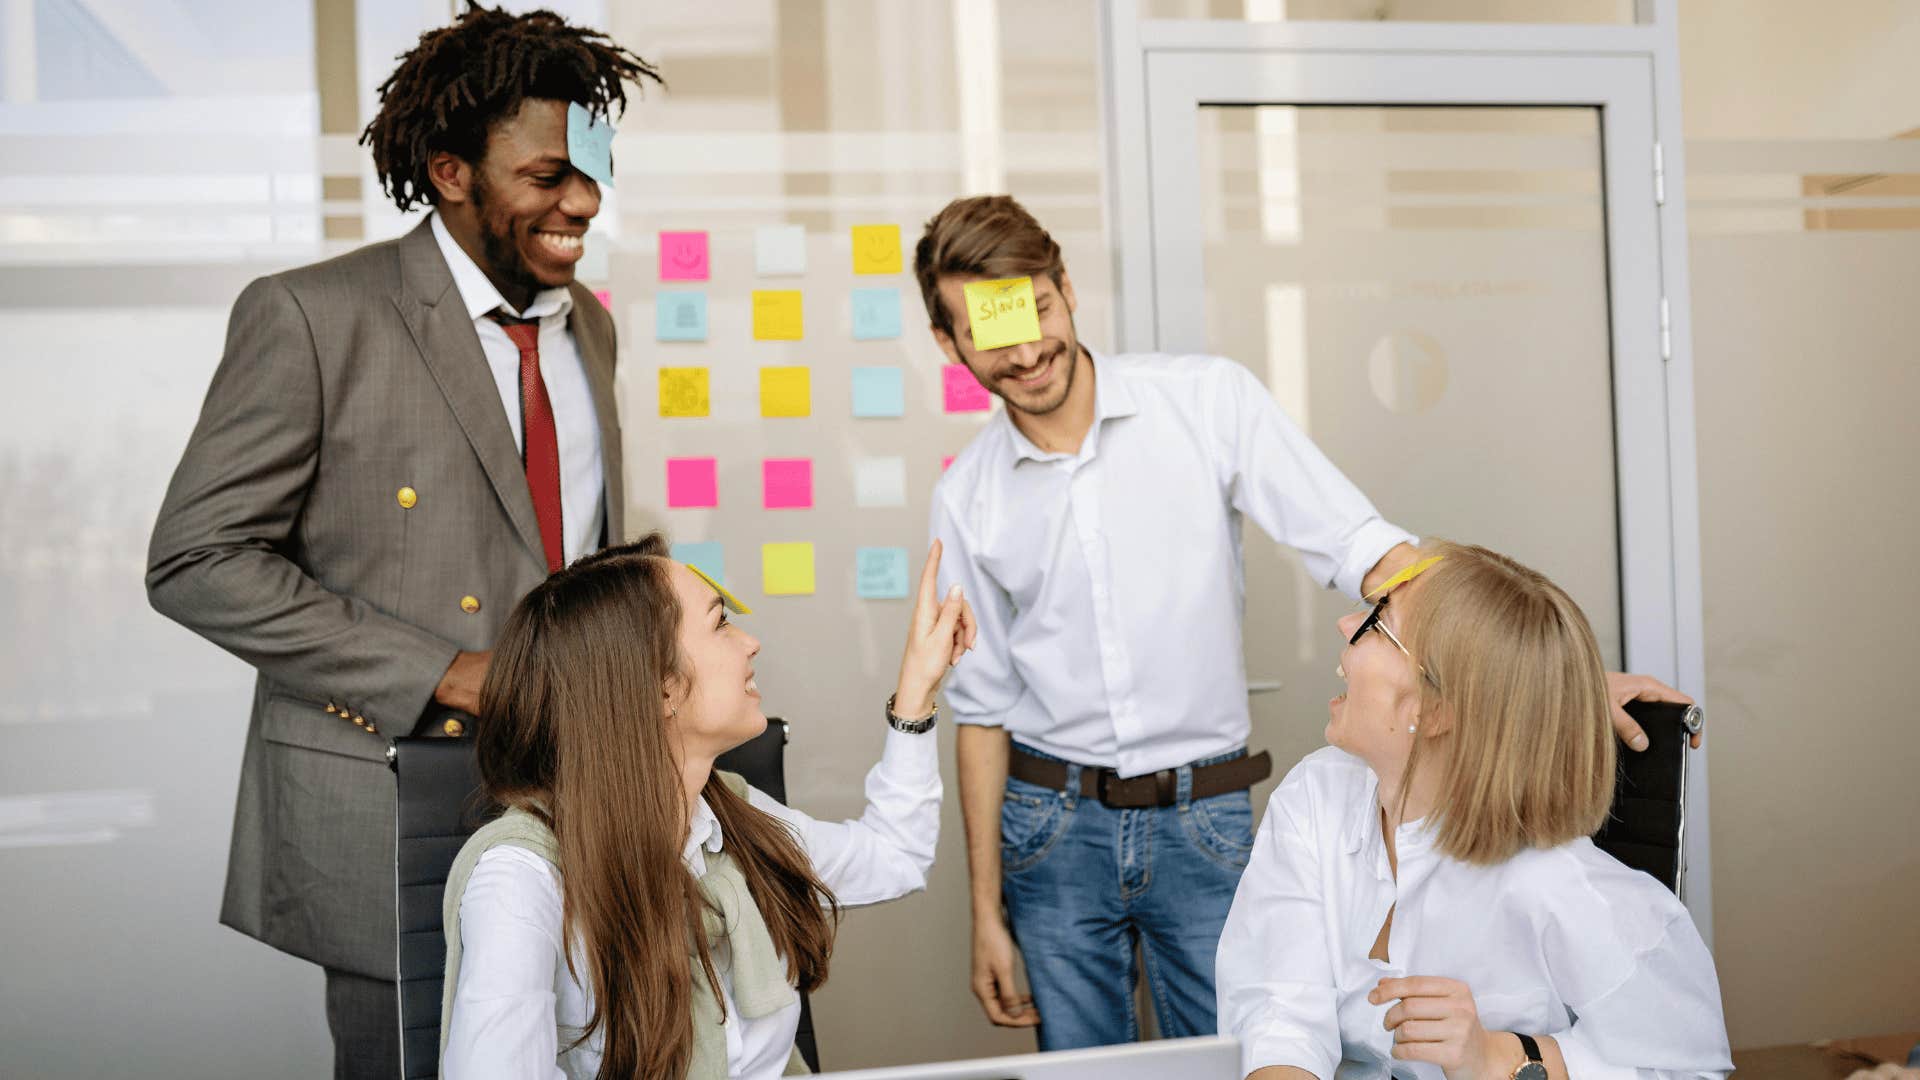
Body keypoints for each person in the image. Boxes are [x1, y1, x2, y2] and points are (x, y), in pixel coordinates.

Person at [912, 194, 1696, 1051]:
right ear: (951, 345)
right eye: (993, 335)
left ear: (1065, 287)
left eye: (1040, 313)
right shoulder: (968, 498)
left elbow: (1362, 547)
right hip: (1050, 827)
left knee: (1252, 1044)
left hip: (1202, 815)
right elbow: (981, 711)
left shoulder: (1205, 402)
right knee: (1085, 1074)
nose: (1027, 352)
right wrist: (985, 912)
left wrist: (1539, 670)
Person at [143, 7, 657, 1075]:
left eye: (592, 173)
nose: (582, 203)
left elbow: (567, 549)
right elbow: (197, 559)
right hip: (392, 796)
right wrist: (451, 674)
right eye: (547, 175)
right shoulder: (312, 315)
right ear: (451, 172)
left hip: (579, 794)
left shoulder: (589, 323)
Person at [439, 535, 974, 1078]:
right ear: (660, 688)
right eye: (720, 624)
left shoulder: (733, 820)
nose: (751, 642)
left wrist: (917, 690)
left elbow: (896, 856)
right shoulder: (522, 879)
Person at [1215, 543, 1732, 1080]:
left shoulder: (1558, 885)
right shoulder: (1315, 797)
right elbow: (1280, 1012)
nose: (1347, 624)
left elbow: (1686, 1069)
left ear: (1435, 710)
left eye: (1378, 621)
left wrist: (1502, 1058)